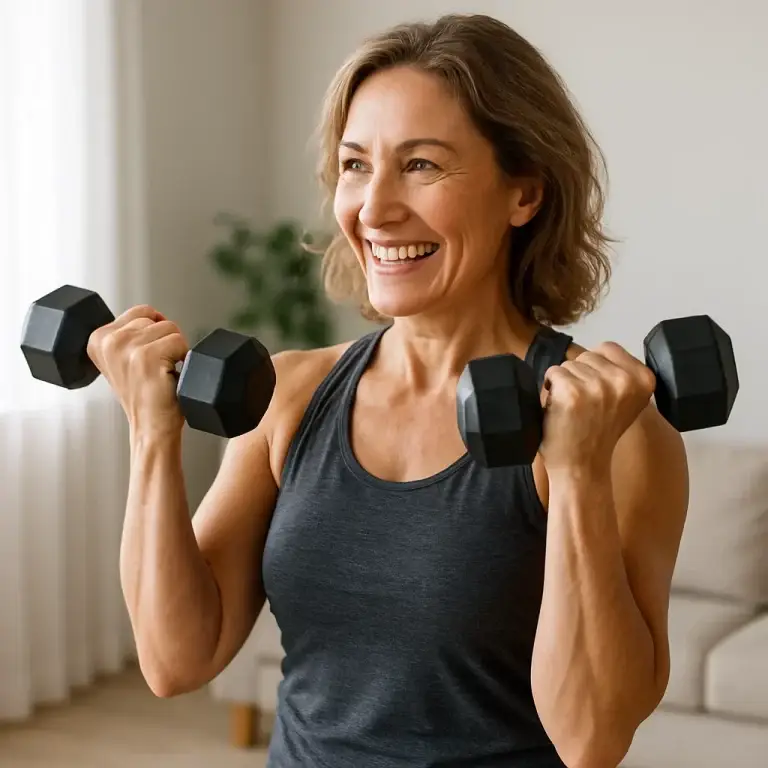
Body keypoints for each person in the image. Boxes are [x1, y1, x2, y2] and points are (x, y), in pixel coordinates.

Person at [88, 13, 689, 768]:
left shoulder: (615, 431)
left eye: (423, 165)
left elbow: (592, 739)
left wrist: (575, 474)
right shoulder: (293, 394)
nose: (373, 209)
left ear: (524, 194)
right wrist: (151, 433)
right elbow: (178, 660)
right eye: (354, 165)